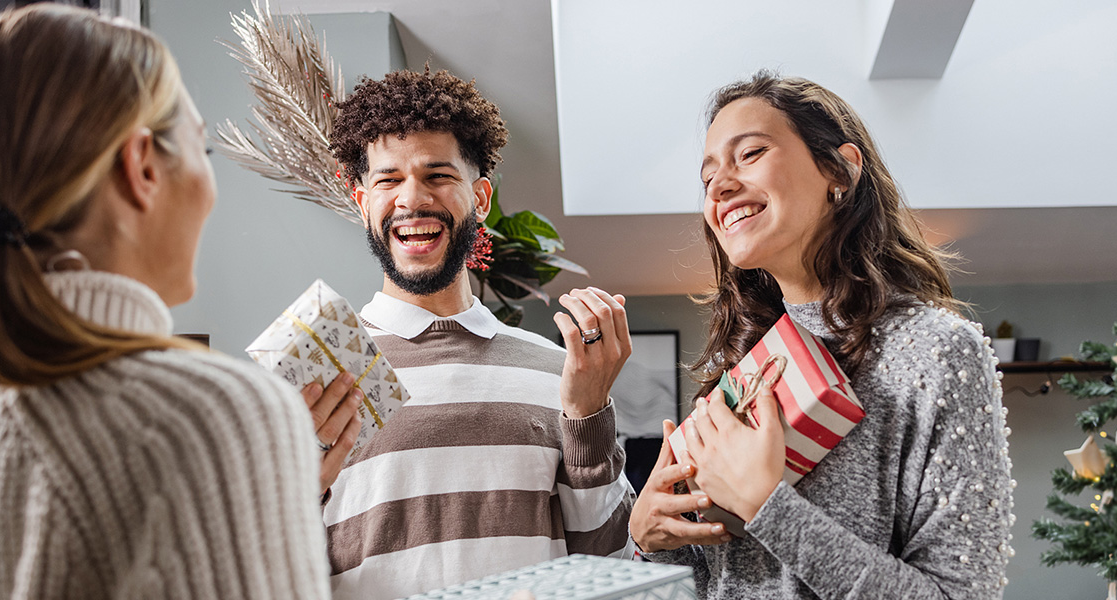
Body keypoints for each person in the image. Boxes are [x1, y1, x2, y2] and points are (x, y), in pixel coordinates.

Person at [0, 5, 336, 599]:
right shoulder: (216, 417)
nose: (211, 189)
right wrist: (254, 460)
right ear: (142, 166)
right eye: (203, 152)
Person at [631, 71, 1014, 598]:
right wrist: (651, 537)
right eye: (707, 177)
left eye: (749, 154)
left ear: (840, 171)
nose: (719, 185)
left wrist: (770, 508)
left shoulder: (938, 353)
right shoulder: (745, 365)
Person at [310, 68, 637, 599]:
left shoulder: (556, 370)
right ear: (362, 201)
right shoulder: (324, 371)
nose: (411, 199)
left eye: (437, 175)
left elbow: (610, 559)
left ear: (480, 197)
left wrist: (588, 417)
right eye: (388, 179)